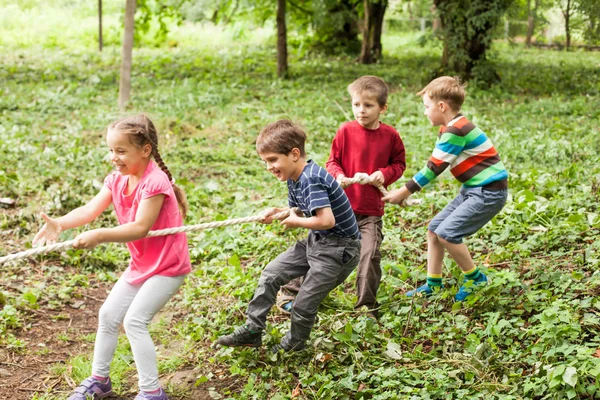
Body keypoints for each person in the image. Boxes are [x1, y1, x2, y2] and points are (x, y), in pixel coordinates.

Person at [33, 114, 189, 400]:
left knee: (134, 321)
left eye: (120, 151)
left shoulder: (155, 182)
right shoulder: (118, 179)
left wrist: (100, 235)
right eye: (111, 150)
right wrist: (60, 223)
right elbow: (90, 210)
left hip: (168, 266)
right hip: (142, 264)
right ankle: (99, 380)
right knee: (107, 315)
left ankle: (152, 392)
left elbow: (140, 228)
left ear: (145, 150)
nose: (113, 157)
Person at [216, 119, 361, 353]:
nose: (269, 167)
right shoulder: (295, 177)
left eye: (273, 160)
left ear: (294, 154)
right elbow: (302, 209)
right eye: (265, 162)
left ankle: (294, 344)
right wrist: (278, 212)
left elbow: (327, 220)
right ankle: (253, 330)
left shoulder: (311, 178)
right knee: (271, 274)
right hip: (318, 241)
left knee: (304, 303)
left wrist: (296, 222)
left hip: (339, 250)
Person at [277, 76, 406, 320]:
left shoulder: (391, 136)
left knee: (370, 254)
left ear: (382, 108)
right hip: (339, 210)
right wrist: (338, 175)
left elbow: (399, 164)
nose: (361, 110)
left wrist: (384, 174)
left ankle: (366, 305)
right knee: (319, 249)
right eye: (356, 104)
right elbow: (332, 161)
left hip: (370, 212)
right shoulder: (345, 131)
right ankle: (290, 291)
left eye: (368, 105)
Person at [382, 76, 508, 301]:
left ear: (442, 106)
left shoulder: (456, 130)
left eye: (427, 107)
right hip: (472, 190)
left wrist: (404, 191)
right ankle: (433, 284)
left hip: (488, 193)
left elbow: (434, 167)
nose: (425, 112)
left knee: (448, 234)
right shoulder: (450, 128)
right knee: (434, 230)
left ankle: (476, 279)